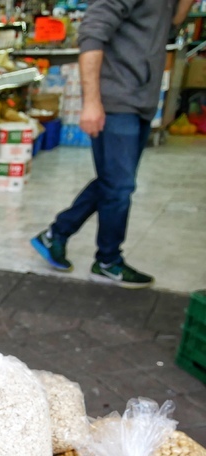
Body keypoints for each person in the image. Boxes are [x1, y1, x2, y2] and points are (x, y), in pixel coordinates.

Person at [30, 0, 195, 288]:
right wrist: (92, 102)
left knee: (115, 180)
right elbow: (91, 32)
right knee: (119, 185)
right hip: (116, 98)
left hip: (140, 98)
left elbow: (167, 24)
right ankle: (108, 260)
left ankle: (56, 233)